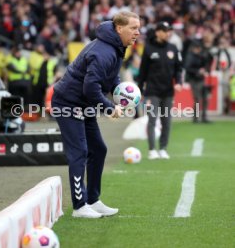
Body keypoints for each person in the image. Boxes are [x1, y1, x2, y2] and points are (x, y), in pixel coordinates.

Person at [52, 11, 140, 218]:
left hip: (83, 103)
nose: (138, 32)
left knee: (98, 149)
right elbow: (90, 88)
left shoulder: (116, 46)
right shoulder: (104, 51)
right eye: (133, 28)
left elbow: (110, 76)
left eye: (138, 28)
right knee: (79, 152)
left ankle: (93, 199)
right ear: (119, 28)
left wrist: (121, 90)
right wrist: (110, 107)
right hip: (68, 103)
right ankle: (79, 206)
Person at [138, 21, 183, 160]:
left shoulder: (173, 48)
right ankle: (152, 150)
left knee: (166, 121)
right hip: (152, 91)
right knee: (152, 120)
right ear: (157, 32)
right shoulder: (149, 48)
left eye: (169, 30)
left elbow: (178, 69)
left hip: (168, 91)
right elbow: (142, 71)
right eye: (165, 30)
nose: (168, 33)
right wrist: (140, 90)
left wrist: (179, 82)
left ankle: (163, 148)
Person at [184, 40, 212, 123]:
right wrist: (197, 71)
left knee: (205, 98)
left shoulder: (201, 55)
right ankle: (196, 118)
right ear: (194, 48)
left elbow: (206, 64)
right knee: (197, 99)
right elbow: (187, 68)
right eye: (197, 48)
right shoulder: (190, 56)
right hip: (194, 79)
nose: (198, 50)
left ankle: (204, 117)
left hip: (201, 79)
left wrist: (204, 70)